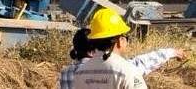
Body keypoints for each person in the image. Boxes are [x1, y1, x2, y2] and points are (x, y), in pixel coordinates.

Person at [58, 8, 186, 88]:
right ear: (119, 41)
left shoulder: (78, 73)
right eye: (124, 37)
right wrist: (172, 52)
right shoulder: (126, 70)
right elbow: (142, 62)